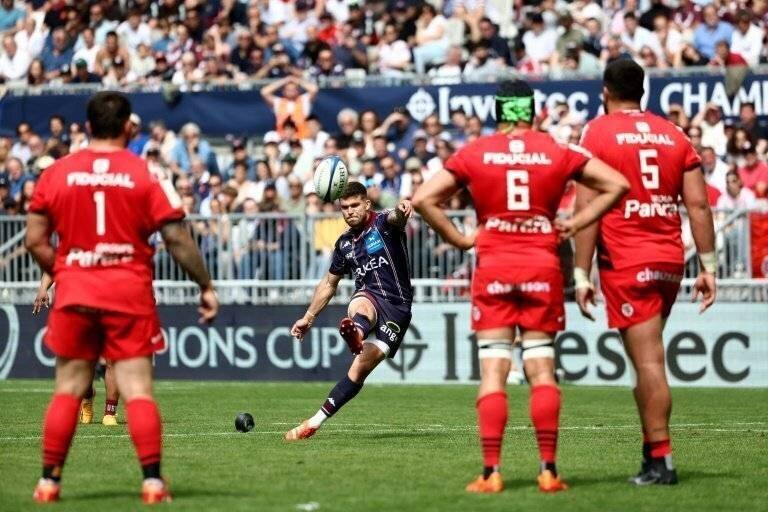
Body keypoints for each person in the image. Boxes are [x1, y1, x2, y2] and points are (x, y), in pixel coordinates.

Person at [412, 80, 629, 494]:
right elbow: (617, 184)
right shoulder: (555, 150)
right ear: (531, 111)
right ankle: (548, 470)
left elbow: (424, 199)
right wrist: (576, 223)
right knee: (542, 368)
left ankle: (492, 473)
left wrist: (460, 239)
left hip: (494, 266)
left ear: (498, 113)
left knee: (494, 369)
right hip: (541, 265)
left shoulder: (475, 152)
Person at [25, 91, 219, 504]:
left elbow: (33, 240)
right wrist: (205, 285)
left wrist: (65, 270)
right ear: (129, 127)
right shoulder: (146, 173)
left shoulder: (56, 173)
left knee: (68, 388)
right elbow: (176, 238)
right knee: (138, 389)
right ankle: (151, 483)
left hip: (75, 292)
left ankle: (48, 483)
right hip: (128, 293)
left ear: (89, 126)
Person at [573, 59, 717, 486]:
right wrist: (708, 265)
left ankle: (662, 460)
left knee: (650, 361)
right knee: (646, 360)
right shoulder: (675, 134)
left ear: (605, 92)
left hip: (627, 258)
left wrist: (581, 273)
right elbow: (698, 204)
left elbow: (585, 207)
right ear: (644, 90)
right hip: (669, 259)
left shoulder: (597, 132)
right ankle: (651, 454)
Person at [284, 182, 414, 441]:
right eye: (344, 207)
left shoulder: (383, 224)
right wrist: (308, 317)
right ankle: (357, 331)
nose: (349, 211)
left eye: (355, 205)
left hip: (397, 308)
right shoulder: (344, 243)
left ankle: (316, 420)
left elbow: (396, 217)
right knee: (360, 302)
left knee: (358, 371)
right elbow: (330, 283)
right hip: (368, 298)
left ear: (367, 203)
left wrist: (401, 209)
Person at [32, 272, 121, 426]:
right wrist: (43, 289)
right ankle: (87, 398)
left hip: (112, 305)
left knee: (112, 360)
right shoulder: (72, 248)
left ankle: (110, 413)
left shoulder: (114, 248)